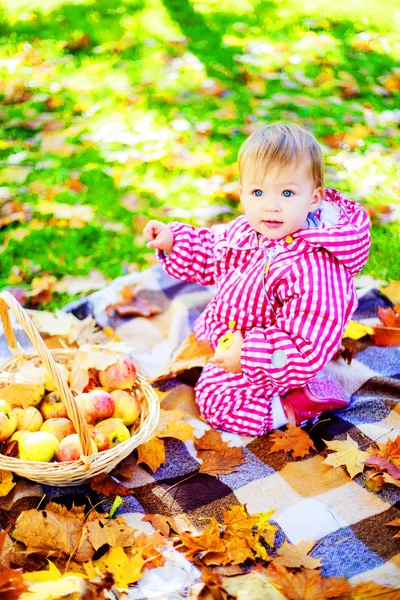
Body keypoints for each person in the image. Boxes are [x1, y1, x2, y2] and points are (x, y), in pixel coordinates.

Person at [143, 123, 371, 437]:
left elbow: (304, 345)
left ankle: (294, 405)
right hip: (238, 332)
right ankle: (234, 363)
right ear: (242, 193)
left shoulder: (314, 269)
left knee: (215, 399)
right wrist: (174, 242)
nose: (271, 205)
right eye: (258, 192)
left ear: (314, 198)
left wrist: (248, 356)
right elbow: (214, 250)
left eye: (287, 192)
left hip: (280, 358)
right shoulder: (250, 229)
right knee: (188, 347)